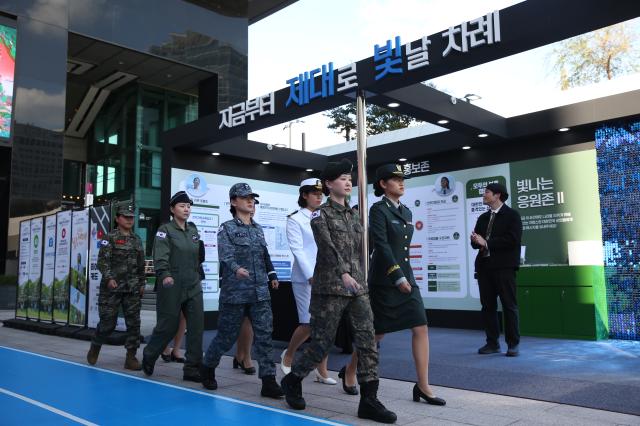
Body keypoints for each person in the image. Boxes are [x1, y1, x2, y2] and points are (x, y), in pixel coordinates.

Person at [281, 159, 397, 424]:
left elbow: (361, 250)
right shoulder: (320, 215)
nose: (348, 182)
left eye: (349, 178)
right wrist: (343, 273)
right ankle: (293, 379)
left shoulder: (355, 215)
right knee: (321, 342)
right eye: (342, 179)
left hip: (357, 288)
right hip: (330, 288)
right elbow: (328, 247)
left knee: (368, 341)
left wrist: (361, 276)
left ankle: (369, 400)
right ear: (329, 184)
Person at [367, 164, 445, 405]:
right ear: (383, 184)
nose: (402, 183)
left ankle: (423, 385)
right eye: (396, 179)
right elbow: (381, 245)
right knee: (377, 335)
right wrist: (396, 275)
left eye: (403, 179)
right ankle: (350, 371)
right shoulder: (378, 210)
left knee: (420, 326)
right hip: (385, 279)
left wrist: (405, 276)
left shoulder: (407, 212)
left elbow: (403, 249)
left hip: (407, 277)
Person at [200, 183, 283, 399]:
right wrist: (237, 270)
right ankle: (208, 367)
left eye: (252, 198)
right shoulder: (226, 228)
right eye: (245, 197)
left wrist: (272, 274)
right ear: (234, 201)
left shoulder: (258, 229)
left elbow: (264, 255)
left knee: (264, 336)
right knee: (226, 337)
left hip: (259, 293)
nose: (250, 201)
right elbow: (225, 256)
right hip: (235, 293)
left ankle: (268, 381)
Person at [142, 191, 204, 382]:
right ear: (172, 209)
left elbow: (197, 257)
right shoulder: (165, 230)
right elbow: (160, 255)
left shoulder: (193, 230)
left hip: (193, 283)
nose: (186, 209)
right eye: (182, 206)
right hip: (172, 283)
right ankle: (150, 354)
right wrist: (164, 274)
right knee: (168, 325)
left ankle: (192, 367)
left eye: (188, 206)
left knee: (196, 325)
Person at [281, 178, 336, 385]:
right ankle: (289, 354)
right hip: (306, 279)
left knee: (327, 325)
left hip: (328, 276)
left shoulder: (326, 216)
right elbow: (298, 250)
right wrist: (310, 274)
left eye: (321, 192)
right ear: (304, 195)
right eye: (314, 192)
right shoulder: (295, 219)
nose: (319, 196)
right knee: (308, 323)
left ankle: (322, 371)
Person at [87, 204, 146, 370]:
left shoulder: (137, 239)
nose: (129, 220)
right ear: (117, 218)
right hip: (111, 289)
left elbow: (141, 265)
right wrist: (109, 278)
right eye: (125, 217)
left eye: (131, 217)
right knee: (108, 324)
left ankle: (131, 357)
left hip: (132, 289)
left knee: (134, 324)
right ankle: (96, 344)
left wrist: (142, 283)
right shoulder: (109, 238)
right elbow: (102, 261)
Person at [470, 183, 523, 357]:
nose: (483, 195)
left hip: (504, 267)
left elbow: (512, 240)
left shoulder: (512, 215)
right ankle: (492, 343)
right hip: (485, 268)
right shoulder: (483, 217)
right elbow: (474, 244)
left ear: (497, 195)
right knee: (488, 307)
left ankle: (512, 344)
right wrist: (475, 240)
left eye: (487, 192)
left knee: (509, 306)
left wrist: (486, 242)